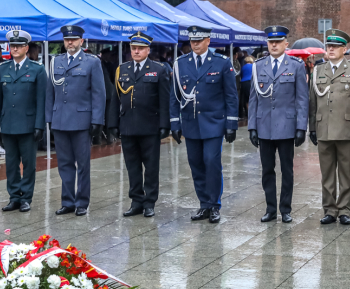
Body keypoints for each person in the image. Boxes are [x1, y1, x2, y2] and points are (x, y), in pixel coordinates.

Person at [170, 26, 238, 223]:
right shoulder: (181, 63)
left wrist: (231, 123)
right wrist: (175, 122)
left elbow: (231, 96)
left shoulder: (222, 62)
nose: (195, 44)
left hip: (213, 123)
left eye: (199, 40)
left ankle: (214, 204)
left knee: (211, 162)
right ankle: (204, 204)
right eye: (192, 41)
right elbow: (174, 96)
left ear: (208, 40)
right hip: (191, 123)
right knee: (196, 164)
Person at [248, 25, 309, 224]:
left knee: (287, 170)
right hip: (264, 125)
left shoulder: (296, 66)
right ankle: (270, 209)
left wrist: (301, 127)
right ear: (267, 43)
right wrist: (252, 127)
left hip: (286, 126)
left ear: (286, 43)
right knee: (267, 170)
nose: (274, 45)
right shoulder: (258, 66)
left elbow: (302, 99)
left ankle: (286, 209)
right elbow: (254, 99)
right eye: (271, 42)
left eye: (278, 42)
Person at [107, 32, 169, 218]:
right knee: (132, 166)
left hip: (150, 126)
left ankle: (149, 202)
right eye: (134, 48)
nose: (136, 51)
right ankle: (136, 201)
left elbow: (165, 100)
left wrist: (165, 124)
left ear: (148, 50)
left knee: (151, 167)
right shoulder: (122, 69)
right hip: (128, 126)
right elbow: (115, 99)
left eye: (140, 48)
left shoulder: (159, 69)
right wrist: (113, 123)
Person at [309, 29, 350, 226]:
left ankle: (344, 209)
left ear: (345, 48)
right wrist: (312, 128)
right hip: (323, 128)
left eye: (335, 46)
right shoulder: (318, 70)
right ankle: (329, 209)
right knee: (327, 174)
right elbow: (312, 103)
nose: (331, 49)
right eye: (329, 46)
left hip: (346, 128)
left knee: (346, 173)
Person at [46, 26, 105, 216]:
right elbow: (50, 93)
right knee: (64, 164)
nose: (70, 43)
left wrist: (97, 119)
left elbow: (98, 93)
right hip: (60, 120)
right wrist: (49, 117)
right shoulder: (55, 61)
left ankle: (81, 202)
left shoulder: (91, 62)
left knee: (83, 164)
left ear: (81, 40)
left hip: (81, 120)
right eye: (67, 40)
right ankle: (68, 201)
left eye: (74, 39)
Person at [0, 30, 46, 212]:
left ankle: (26, 197)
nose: (14, 49)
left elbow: (41, 101)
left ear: (26, 48)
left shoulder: (37, 69)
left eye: (18, 46)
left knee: (29, 164)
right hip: (8, 124)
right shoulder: (3, 69)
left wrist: (39, 125)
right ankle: (14, 196)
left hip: (28, 125)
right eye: (12, 46)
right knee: (11, 163)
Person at [239, 55, 253, 119]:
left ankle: (247, 113)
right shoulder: (253, 66)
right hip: (251, 82)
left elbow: (241, 75)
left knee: (245, 99)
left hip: (243, 83)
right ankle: (251, 113)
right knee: (252, 98)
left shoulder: (243, 67)